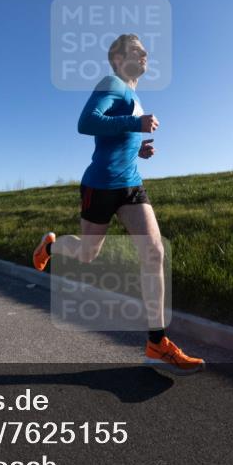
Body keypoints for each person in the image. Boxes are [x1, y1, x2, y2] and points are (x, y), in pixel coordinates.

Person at [33, 33, 204, 375]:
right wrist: (135, 123)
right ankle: (51, 247)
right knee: (87, 254)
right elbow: (86, 123)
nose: (145, 56)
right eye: (137, 52)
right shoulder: (110, 82)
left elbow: (115, 137)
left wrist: (138, 148)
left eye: (145, 52)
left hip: (130, 184)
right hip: (100, 185)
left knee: (154, 251)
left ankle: (157, 343)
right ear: (117, 58)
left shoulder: (133, 94)